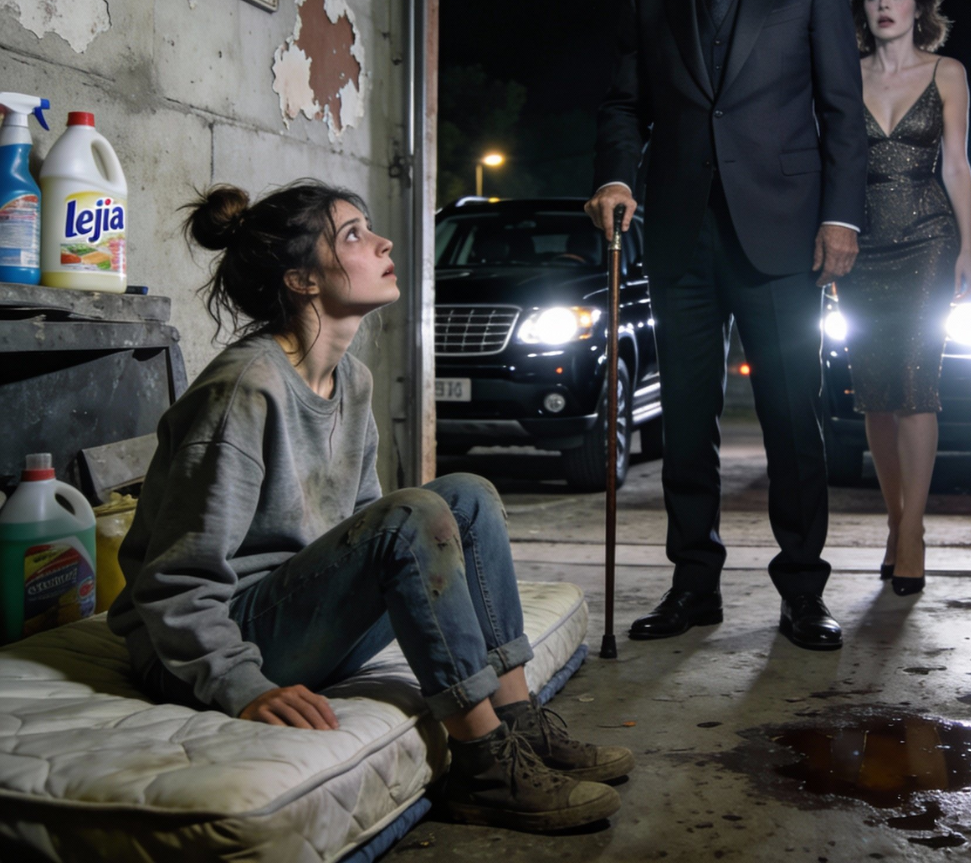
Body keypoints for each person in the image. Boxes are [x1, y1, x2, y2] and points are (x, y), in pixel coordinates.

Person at [108, 180, 632, 833]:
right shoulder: (244, 391)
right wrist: (242, 685)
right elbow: (175, 584)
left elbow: (364, 532)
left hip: (302, 619)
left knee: (466, 497)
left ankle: (518, 723)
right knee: (410, 515)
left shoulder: (351, 378)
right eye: (354, 235)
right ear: (302, 279)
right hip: (212, 644)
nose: (383, 243)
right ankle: (484, 766)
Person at [586, 0, 868, 651]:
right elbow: (624, 103)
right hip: (681, 235)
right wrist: (614, 177)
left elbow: (841, 108)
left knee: (792, 418)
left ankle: (803, 591)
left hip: (783, 234)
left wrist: (840, 215)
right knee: (685, 422)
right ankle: (693, 586)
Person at [835, 0, 971, 596]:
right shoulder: (844, 74)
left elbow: (956, 165)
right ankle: (894, 521)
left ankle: (914, 532)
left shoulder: (948, 72)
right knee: (876, 392)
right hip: (861, 248)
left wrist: (968, 247)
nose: (884, 5)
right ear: (862, 10)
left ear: (918, 5)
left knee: (917, 384)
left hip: (927, 241)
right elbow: (831, 165)